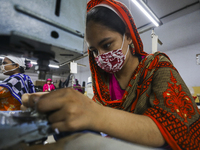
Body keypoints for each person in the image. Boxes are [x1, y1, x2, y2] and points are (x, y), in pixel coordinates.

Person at [21, 0, 200, 149]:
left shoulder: (156, 67)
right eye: (94, 51)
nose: (101, 57)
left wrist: (95, 114)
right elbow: (95, 120)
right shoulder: (103, 81)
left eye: (107, 45)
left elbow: (178, 127)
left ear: (128, 37)